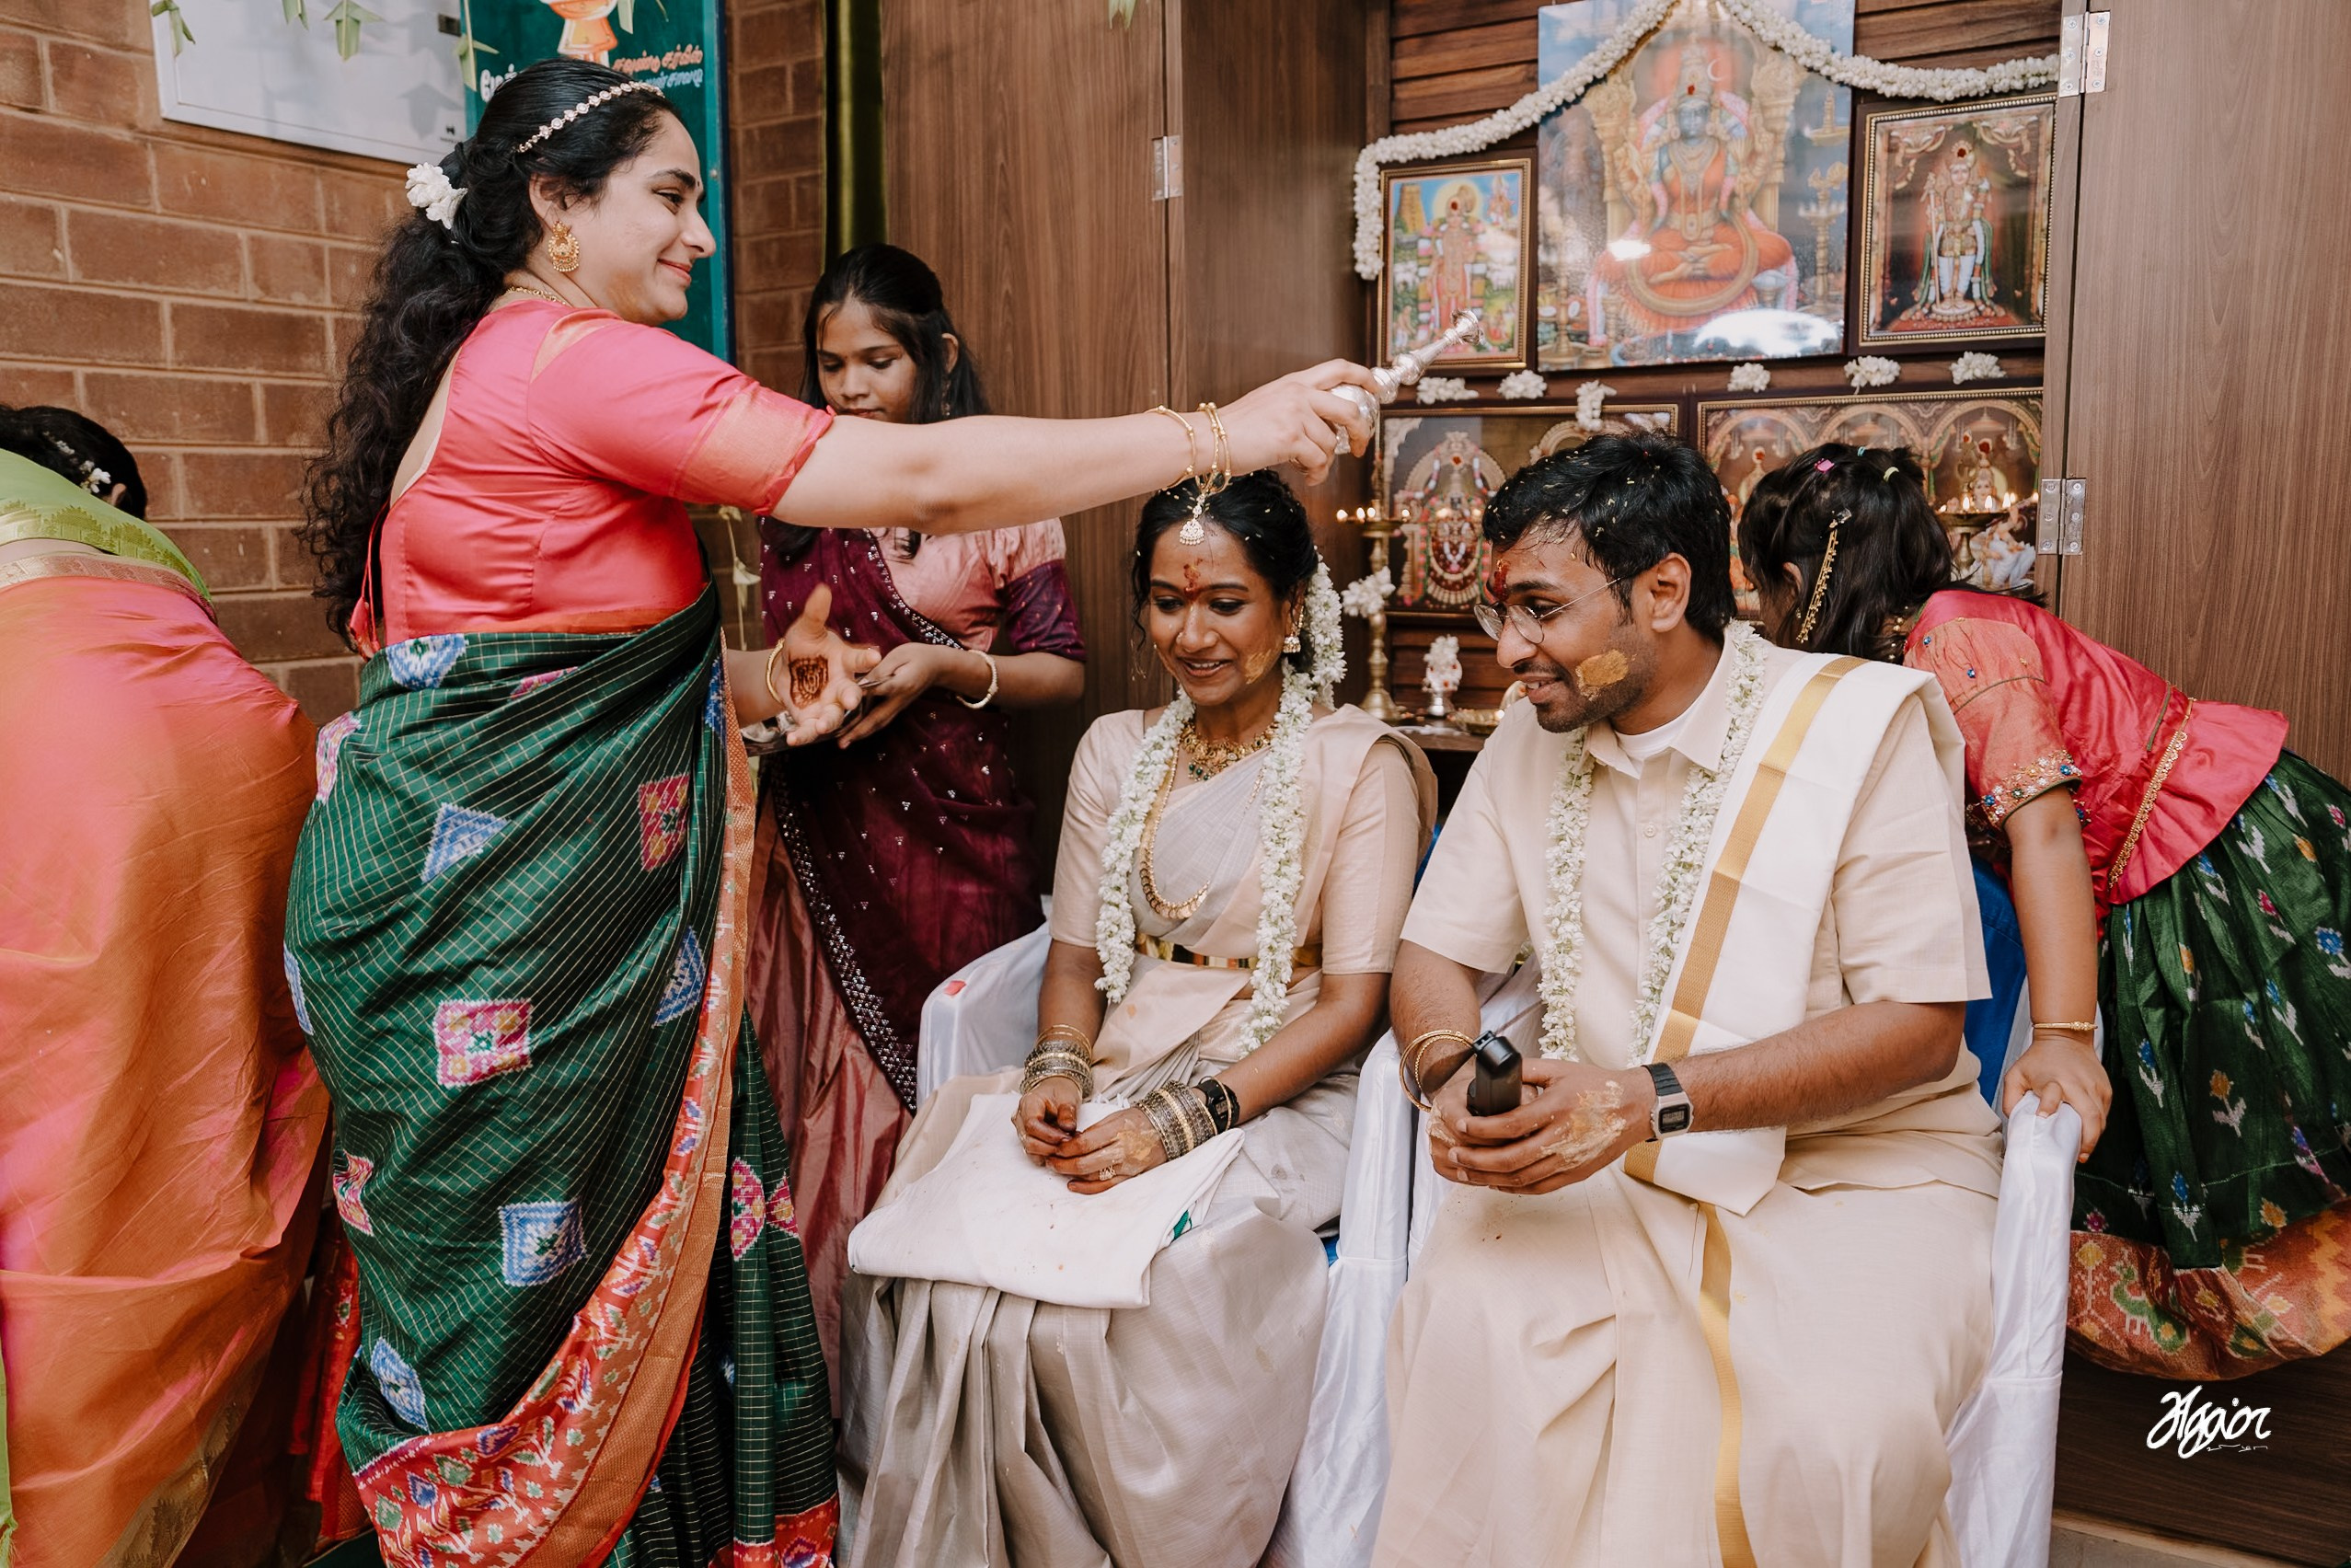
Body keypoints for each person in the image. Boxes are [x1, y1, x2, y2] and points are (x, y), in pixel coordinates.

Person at [284, 56, 1372, 1568]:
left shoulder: (483, 369)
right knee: (517, 1353)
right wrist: (1222, 434)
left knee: (515, 1327)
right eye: (668, 196)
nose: (702, 236)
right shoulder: (569, 359)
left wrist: (731, 677)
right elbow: (906, 466)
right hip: (501, 962)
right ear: (551, 203)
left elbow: (521, 669)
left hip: (433, 917)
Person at [1377, 433, 2002, 1566]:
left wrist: (1645, 1099)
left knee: (1827, 1435)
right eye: (1497, 610)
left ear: (1663, 590)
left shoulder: (1859, 728)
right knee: (1468, 1339)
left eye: (1538, 608)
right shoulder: (1531, 733)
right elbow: (1432, 954)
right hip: (1595, 1153)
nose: (1506, 649)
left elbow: (1919, 1031)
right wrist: (1447, 1076)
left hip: (1858, 1166)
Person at [839, 472, 1435, 1568]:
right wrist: (1054, 1070)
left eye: (1225, 602)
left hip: (1279, 1087)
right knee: (937, 1259)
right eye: (1166, 601)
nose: (1190, 632)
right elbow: (1072, 959)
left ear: (1292, 608)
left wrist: (1182, 1123)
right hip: (1124, 1062)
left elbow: (1352, 1007)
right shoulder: (1118, 750)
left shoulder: (1358, 766)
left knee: (1137, 1289)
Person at [1739, 442, 2351, 1378]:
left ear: (1793, 580)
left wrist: (2063, 1032)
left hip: (2209, 860)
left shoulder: (1948, 637)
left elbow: (2045, 833)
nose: (1756, 615)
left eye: (1757, 592)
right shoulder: (1921, 646)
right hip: (2163, 865)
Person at [747, 243, 1086, 1385]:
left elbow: (1060, 670)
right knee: (819, 1111)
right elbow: (789, 661)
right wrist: (797, 705)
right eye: (830, 364)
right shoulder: (797, 502)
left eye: (877, 361)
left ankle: (933, 1394)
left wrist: (938, 671)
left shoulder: (1000, 496)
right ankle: (819, 1402)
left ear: (934, 357)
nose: (848, 388)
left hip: (956, 847)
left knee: (944, 1096)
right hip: (819, 841)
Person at [0, 407, 326, 1568]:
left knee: (69, 1161)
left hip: (73, 802)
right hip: (246, 765)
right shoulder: (136, 571)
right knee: (193, 1119)